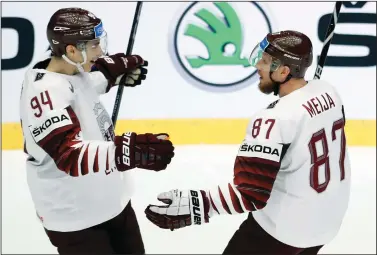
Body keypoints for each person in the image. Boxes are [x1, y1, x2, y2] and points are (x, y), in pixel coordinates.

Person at [145, 30, 351, 254]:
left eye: (265, 62)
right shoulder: (329, 92)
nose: (257, 67)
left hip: (283, 231)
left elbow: (251, 193)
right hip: (326, 226)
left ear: (284, 71)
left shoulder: (273, 119)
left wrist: (200, 204)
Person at [19, 7, 175, 255]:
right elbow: (69, 154)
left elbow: (79, 88)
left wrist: (108, 76)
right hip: (75, 219)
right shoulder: (43, 93)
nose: (101, 51)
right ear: (71, 50)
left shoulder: (72, 72)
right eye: (93, 45)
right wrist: (130, 151)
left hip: (113, 203)